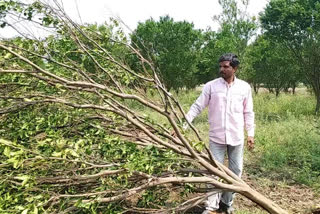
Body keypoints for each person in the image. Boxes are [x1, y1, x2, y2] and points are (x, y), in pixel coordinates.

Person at [184, 53, 255, 214]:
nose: (221, 69)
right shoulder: (211, 86)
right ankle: (211, 208)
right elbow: (197, 106)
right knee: (214, 172)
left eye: (226, 67)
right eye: (220, 66)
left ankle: (226, 203)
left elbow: (248, 112)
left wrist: (250, 133)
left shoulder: (244, 87)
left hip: (236, 137)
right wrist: (182, 126)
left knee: (235, 172)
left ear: (234, 68)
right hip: (216, 137)